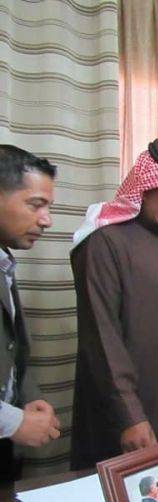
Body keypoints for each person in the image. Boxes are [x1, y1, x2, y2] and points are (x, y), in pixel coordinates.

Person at [70, 140, 158, 470]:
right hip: (139, 408)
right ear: (145, 191)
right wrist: (130, 415)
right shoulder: (104, 242)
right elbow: (101, 337)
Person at [0, 145, 61, 455]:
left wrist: (27, 395)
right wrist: (11, 422)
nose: (46, 220)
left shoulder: (4, 262)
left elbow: (9, 349)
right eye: (35, 205)